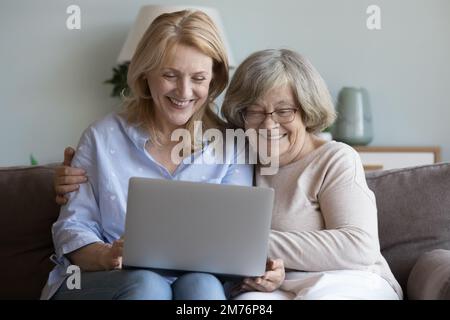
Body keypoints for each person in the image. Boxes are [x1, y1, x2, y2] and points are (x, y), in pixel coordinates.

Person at [41, 10, 255, 300]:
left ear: (213, 80)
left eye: (199, 78)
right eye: (170, 75)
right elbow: (72, 227)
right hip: (101, 279)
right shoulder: (101, 138)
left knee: (202, 286)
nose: (184, 91)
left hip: (197, 282)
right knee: (147, 285)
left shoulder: (231, 145)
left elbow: (236, 240)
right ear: (145, 75)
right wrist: (107, 255)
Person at [221, 49, 403, 299]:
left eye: (284, 111)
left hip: (349, 279)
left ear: (306, 110)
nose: (268, 124)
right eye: (254, 111)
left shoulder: (335, 158)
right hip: (278, 287)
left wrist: (252, 244)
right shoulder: (239, 162)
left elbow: (359, 246)